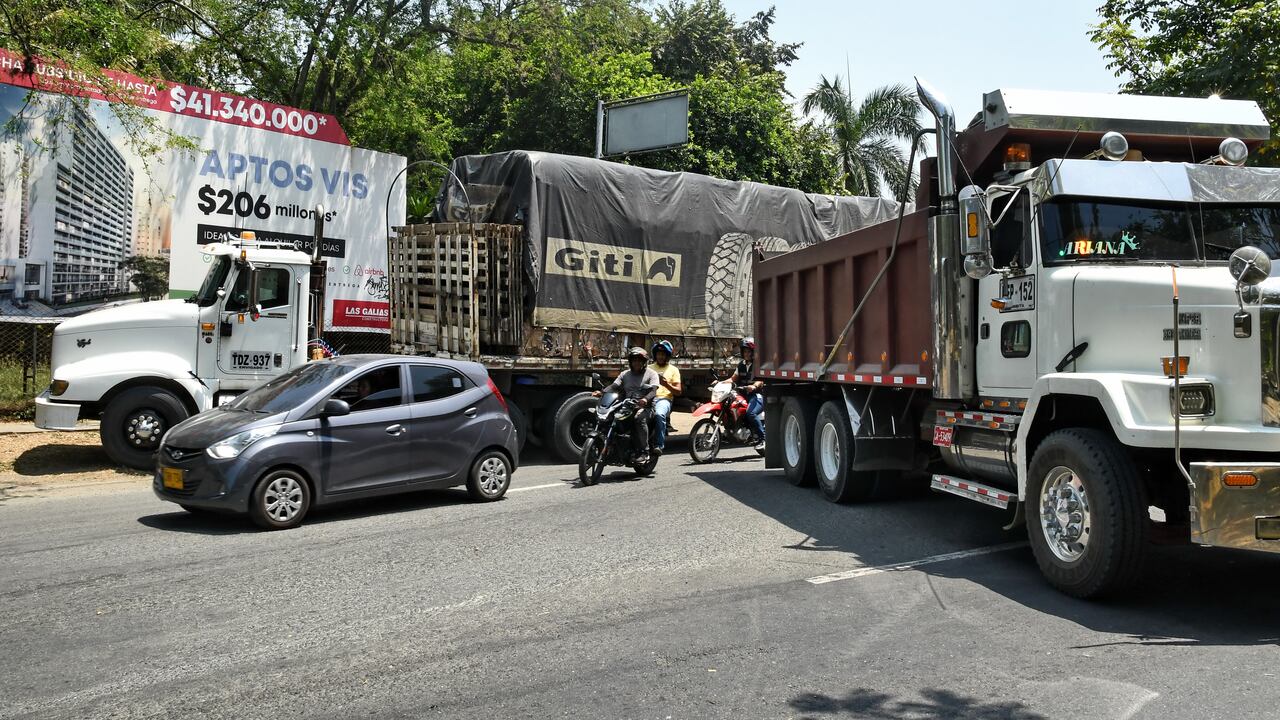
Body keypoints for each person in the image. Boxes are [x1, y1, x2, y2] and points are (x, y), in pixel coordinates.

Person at [594, 347, 660, 464]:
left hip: (646, 407)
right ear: (630, 362)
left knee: (638, 419)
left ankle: (644, 452)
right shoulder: (625, 374)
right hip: (627, 404)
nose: (637, 363)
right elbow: (614, 386)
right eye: (634, 360)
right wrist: (602, 392)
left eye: (639, 360)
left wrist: (645, 399)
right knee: (609, 416)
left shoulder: (652, 374)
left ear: (644, 362)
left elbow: (653, 391)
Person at [729, 336, 765, 450]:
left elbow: (761, 380)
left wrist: (754, 386)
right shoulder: (741, 365)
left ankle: (763, 439)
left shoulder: (758, 364)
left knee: (751, 413)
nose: (746, 354)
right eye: (744, 351)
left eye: (748, 351)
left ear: (753, 352)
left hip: (757, 395)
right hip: (744, 395)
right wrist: (719, 382)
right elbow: (733, 378)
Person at [648, 340, 682, 455]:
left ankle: (659, 444)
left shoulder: (674, 370)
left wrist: (666, 384)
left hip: (663, 399)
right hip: (648, 398)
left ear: (667, 356)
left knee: (659, 414)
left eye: (663, 354)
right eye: (658, 354)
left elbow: (678, 392)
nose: (660, 357)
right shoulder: (648, 368)